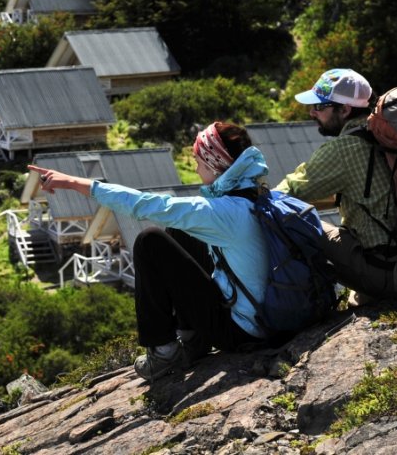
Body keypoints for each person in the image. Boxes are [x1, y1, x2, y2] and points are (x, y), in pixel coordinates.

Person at [28, 122, 271, 382]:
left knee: (149, 241)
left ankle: (164, 352)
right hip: (269, 318)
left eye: (198, 162)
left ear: (215, 165)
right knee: (181, 233)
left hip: (243, 332)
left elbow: (144, 205)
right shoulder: (259, 195)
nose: (197, 169)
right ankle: (192, 338)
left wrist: (75, 183)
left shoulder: (220, 212)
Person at [274, 69, 397, 304]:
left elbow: (285, 193)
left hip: (393, 278)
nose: (312, 112)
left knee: (299, 220)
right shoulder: (391, 135)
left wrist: (251, 197)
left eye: (320, 107)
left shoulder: (344, 148)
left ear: (345, 109)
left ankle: (308, 303)